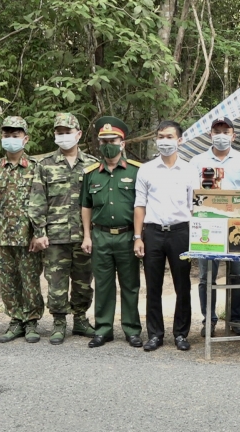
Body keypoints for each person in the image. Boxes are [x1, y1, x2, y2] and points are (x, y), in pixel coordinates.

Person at [28, 113, 97, 345]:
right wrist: (40, 232)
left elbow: (96, 201)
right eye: (59, 132)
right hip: (55, 236)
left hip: (83, 235)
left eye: (68, 131)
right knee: (56, 283)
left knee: (83, 281)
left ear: (78, 134)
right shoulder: (45, 165)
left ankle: (80, 318)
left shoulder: (91, 164)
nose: (64, 136)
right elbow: (37, 201)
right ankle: (59, 322)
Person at [134, 120, 199, 352]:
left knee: (183, 286)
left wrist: (197, 236)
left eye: (170, 137)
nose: (165, 141)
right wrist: (137, 237)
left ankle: (181, 334)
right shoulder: (146, 170)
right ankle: (155, 334)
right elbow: (140, 205)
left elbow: (196, 206)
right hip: (152, 233)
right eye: (161, 136)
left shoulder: (190, 171)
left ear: (180, 140)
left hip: (181, 232)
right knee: (153, 286)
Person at [189, 117, 240, 337]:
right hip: (207, 226)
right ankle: (209, 320)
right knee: (207, 277)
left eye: (225, 131)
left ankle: (236, 320)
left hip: (238, 226)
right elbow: (191, 193)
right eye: (217, 131)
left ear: (233, 135)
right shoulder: (197, 162)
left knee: (238, 275)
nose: (221, 135)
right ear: (210, 134)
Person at [81, 117, 143, 348]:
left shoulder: (137, 172)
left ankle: (132, 329)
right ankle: (103, 329)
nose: (109, 144)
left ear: (123, 143)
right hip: (101, 236)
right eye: (104, 140)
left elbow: (141, 206)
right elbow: (86, 206)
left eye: (113, 140)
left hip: (127, 236)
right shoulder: (91, 174)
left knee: (130, 284)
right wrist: (87, 235)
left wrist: (139, 236)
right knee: (104, 285)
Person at [0, 116, 44, 344]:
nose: (11, 139)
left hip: (27, 237)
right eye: (6, 135)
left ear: (25, 138)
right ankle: (15, 321)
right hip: (2, 236)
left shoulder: (36, 169)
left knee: (30, 281)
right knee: (8, 282)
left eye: (15, 135)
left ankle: (31, 322)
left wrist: (38, 233)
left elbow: (40, 203)